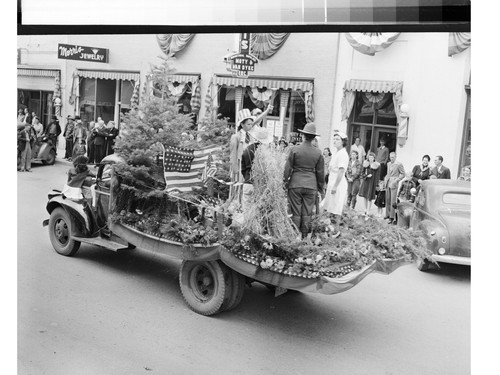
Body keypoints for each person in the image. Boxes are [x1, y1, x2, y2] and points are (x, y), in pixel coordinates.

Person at [284, 122, 325, 239]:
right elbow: (320, 173)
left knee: (296, 211)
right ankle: (304, 237)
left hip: (295, 183)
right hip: (311, 185)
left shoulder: (295, 149)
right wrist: (321, 188)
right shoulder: (318, 153)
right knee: (307, 212)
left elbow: (287, 169)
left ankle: (294, 235)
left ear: (303, 135)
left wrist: (285, 183)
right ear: (313, 138)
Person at [321, 132, 349, 229]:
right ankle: (327, 228)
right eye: (334, 139)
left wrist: (335, 186)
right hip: (332, 181)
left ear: (343, 142)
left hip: (338, 183)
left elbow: (341, 171)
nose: (335, 141)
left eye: (337, 139)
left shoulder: (343, 154)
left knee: (336, 208)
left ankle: (335, 229)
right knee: (328, 206)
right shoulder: (336, 153)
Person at [240, 129, 273, 211]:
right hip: (260, 184)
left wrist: (247, 177)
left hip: (248, 182)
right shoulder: (266, 151)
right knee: (258, 209)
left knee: (247, 208)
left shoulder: (247, 149)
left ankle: (247, 223)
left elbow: (243, 169)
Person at [229, 108, 256, 203]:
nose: (250, 126)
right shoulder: (236, 137)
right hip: (239, 166)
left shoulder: (252, 136)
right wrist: (236, 171)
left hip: (249, 168)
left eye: (251, 124)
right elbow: (233, 155)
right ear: (242, 124)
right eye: (248, 124)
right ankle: (237, 206)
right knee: (238, 189)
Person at [358, 151, 381, 220]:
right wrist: (366, 176)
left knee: (369, 197)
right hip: (366, 181)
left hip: (372, 182)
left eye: (372, 157)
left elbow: (378, 175)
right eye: (370, 157)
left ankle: (368, 210)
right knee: (365, 196)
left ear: (374, 158)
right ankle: (365, 209)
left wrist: (377, 184)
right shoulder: (365, 164)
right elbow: (362, 173)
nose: (371, 158)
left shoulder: (377, 165)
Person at [384, 152, 405, 224]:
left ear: (396, 157)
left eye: (393, 157)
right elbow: (388, 173)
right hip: (388, 182)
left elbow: (403, 174)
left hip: (394, 182)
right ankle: (387, 214)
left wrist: (397, 180)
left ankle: (392, 217)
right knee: (387, 199)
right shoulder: (388, 164)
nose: (391, 158)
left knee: (393, 200)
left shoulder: (399, 164)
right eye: (390, 157)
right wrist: (385, 179)